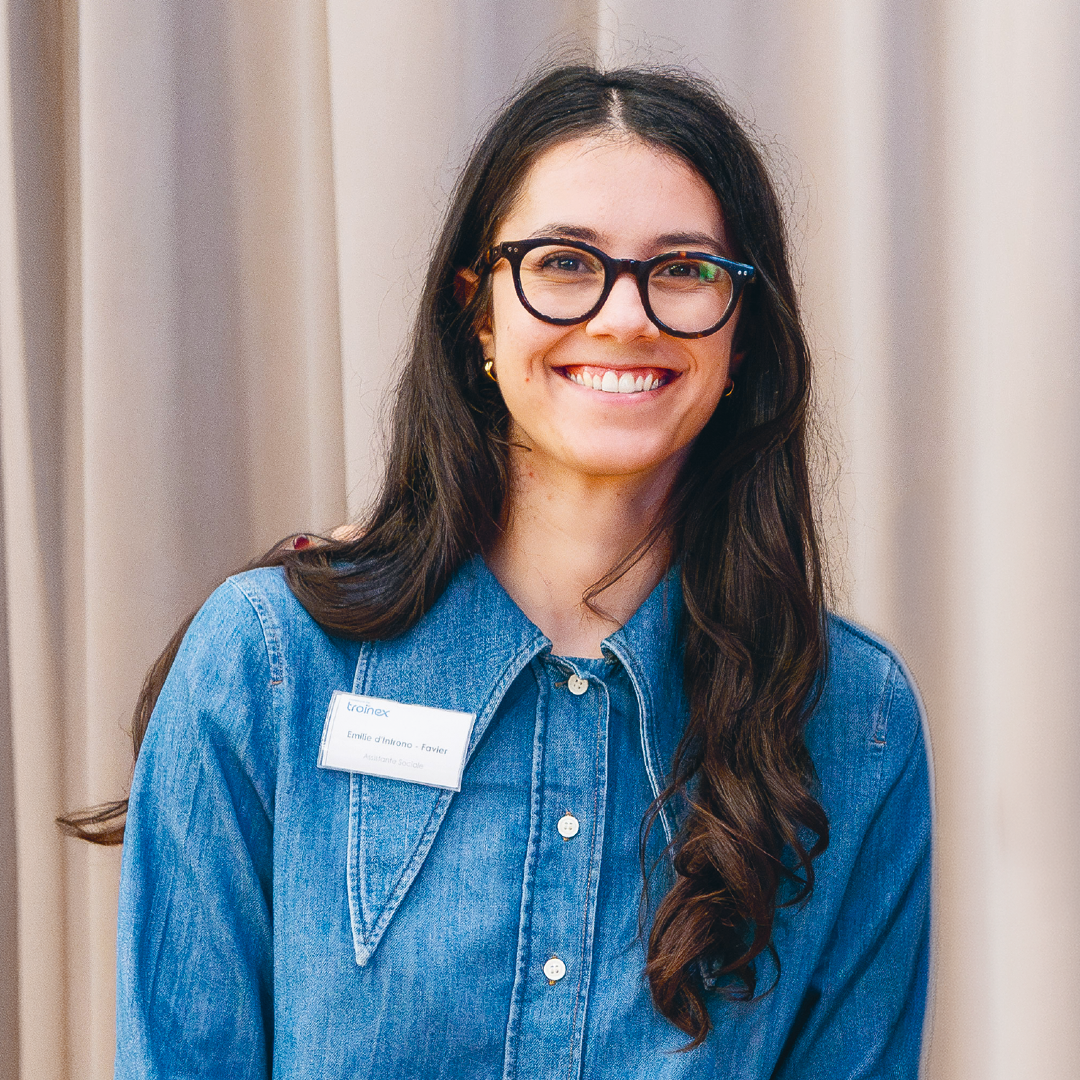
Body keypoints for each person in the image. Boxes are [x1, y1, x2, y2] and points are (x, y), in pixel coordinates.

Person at [69, 64, 932, 1078]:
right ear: (479, 311)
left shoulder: (855, 718)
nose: (625, 316)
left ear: (742, 333)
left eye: (684, 269)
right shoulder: (266, 663)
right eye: (564, 261)